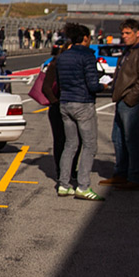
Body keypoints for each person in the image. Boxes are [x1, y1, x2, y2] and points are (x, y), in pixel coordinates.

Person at [101, 18, 139, 191]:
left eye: (128, 33)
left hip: (133, 101)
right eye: (123, 33)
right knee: (118, 138)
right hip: (123, 100)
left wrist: (131, 98)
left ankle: (134, 177)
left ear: (138, 33)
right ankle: (121, 173)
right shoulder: (130, 50)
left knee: (131, 139)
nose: (124, 36)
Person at [54, 23, 103, 200]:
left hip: (65, 102)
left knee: (70, 145)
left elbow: (59, 81)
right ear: (85, 38)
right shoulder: (87, 56)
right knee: (90, 145)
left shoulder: (62, 57)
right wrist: (103, 86)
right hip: (83, 103)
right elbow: (93, 84)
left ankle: (63, 184)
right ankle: (83, 186)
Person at [42, 41, 79, 181]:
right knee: (60, 140)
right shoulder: (56, 63)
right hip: (58, 107)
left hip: (74, 105)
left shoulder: (77, 64)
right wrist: (56, 102)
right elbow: (46, 87)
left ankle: (72, 169)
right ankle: (61, 171)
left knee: (77, 140)